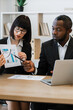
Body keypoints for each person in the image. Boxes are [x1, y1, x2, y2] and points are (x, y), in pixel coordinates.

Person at [31, 15, 73, 110]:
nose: (54, 32)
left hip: (70, 88)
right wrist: (34, 69)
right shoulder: (46, 46)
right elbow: (41, 71)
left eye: (58, 29)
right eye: (53, 28)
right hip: (51, 88)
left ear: (69, 31)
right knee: (35, 102)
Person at [0, 15, 35, 110]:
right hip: (5, 82)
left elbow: (28, 70)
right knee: (13, 99)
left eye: (23, 31)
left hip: (21, 82)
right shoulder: (1, 43)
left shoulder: (27, 46)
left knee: (24, 101)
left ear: (27, 32)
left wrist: (26, 62)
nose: (19, 33)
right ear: (13, 27)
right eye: (17, 29)